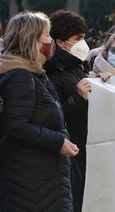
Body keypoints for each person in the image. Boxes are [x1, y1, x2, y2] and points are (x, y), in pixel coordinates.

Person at [0, 11, 79, 211]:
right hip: (31, 185)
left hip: (41, 182)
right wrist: (58, 142)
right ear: (32, 40)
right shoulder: (20, 77)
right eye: (47, 35)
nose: (51, 41)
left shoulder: (34, 76)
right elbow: (16, 125)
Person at [44, 9, 90, 212]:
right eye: (77, 38)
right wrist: (78, 98)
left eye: (84, 38)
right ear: (60, 42)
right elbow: (54, 116)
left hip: (84, 150)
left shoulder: (77, 67)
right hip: (71, 155)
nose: (83, 43)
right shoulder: (52, 72)